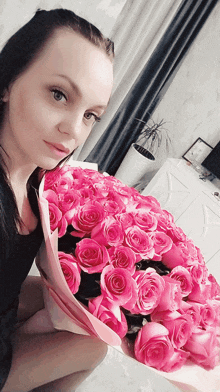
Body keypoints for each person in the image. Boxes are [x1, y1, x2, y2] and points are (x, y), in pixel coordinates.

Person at [0, 8, 114, 392]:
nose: (73, 130)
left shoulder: (37, 177)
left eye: (91, 115)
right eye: (59, 94)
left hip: (6, 301)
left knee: (97, 318)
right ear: (8, 80)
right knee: (94, 346)